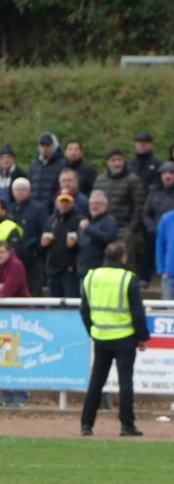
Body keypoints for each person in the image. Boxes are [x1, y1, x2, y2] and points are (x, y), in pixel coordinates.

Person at [79, 241, 149, 437]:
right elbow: (137, 312)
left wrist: (92, 330)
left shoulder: (91, 276)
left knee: (96, 381)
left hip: (100, 336)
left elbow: (84, 309)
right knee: (125, 382)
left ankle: (86, 424)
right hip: (124, 336)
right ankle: (127, 424)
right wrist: (142, 336)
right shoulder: (127, 278)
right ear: (123, 257)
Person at [0, 237, 30, 406]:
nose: (0, 255)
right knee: (3, 357)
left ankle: (21, 396)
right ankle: (7, 397)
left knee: (19, 356)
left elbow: (6, 292)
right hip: (4, 317)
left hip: (21, 317)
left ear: (9, 251)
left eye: (2, 252)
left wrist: (2, 287)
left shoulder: (16, 265)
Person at [8, 178, 48, 296]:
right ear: (12, 192)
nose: (21, 192)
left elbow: (44, 231)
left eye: (24, 189)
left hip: (33, 259)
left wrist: (37, 249)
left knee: (33, 291)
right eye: (18, 189)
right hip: (12, 259)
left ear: (29, 191)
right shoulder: (9, 210)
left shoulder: (39, 209)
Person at [42, 189, 83, 297]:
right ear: (56, 203)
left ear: (72, 203)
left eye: (67, 201)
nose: (64, 204)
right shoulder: (51, 220)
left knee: (71, 301)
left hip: (70, 270)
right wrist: (43, 244)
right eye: (61, 201)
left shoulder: (79, 220)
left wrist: (76, 244)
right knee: (53, 303)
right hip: (52, 268)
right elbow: (43, 244)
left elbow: (85, 245)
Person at [76, 190, 119, 281]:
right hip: (83, 270)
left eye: (97, 204)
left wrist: (88, 229)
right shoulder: (85, 221)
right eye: (91, 203)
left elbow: (108, 238)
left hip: (101, 270)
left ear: (105, 205)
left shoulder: (110, 221)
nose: (93, 206)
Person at [28, 132, 66, 211]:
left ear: (54, 146)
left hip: (52, 209)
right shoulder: (34, 165)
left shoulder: (62, 165)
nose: (44, 149)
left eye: (48, 145)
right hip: (34, 208)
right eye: (42, 145)